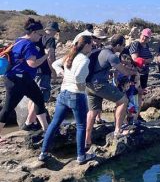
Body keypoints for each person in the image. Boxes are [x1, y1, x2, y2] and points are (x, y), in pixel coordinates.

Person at [39, 35, 95, 164]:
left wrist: (62, 73)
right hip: (76, 95)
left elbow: (55, 64)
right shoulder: (84, 60)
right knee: (81, 126)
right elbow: (78, 77)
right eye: (91, 44)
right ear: (86, 45)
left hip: (63, 93)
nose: (92, 46)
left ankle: (43, 152)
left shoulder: (71, 55)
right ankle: (81, 156)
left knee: (54, 123)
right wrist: (82, 88)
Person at [0, 18, 49, 142]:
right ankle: (46, 130)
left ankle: (46, 129)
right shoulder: (29, 45)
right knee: (8, 108)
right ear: (33, 33)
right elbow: (32, 63)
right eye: (40, 34)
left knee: (38, 99)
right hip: (18, 80)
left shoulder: (18, 41)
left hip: (18, 78)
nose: (41, 37)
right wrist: (46, 56)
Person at [85, 34, 137, 148]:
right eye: (123, 45)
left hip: (89, 85)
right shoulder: (111, 55)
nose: (124, 47)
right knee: (123, 101)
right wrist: (135, 72)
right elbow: (125, 72)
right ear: (117, 45)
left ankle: (87, 140)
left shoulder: (101, 51)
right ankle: (118, 130)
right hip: (99, 85)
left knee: (92, 112)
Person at [25, 21, 60, 130]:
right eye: (55, 32)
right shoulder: (50, 39)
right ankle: (29, 122)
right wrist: (53, 71)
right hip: (43, 70)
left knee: (33, 96)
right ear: (53, 31)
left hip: (33, 70)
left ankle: (33, 121)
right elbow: (50, 56)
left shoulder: (37, 38)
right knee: (40, 97)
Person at [129, 28, 154, 122]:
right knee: (133, 94)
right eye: (144, 36)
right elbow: (135, 59)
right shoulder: (136, 44)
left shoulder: (146, 46)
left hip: (144, 73)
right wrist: (146, 60)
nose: (145, 38)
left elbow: (151, 58)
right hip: (136, 74)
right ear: (140, 35)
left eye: (147, 37)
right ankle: (131, 117)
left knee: (140, 94)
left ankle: (137, 115)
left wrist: (145, 60)